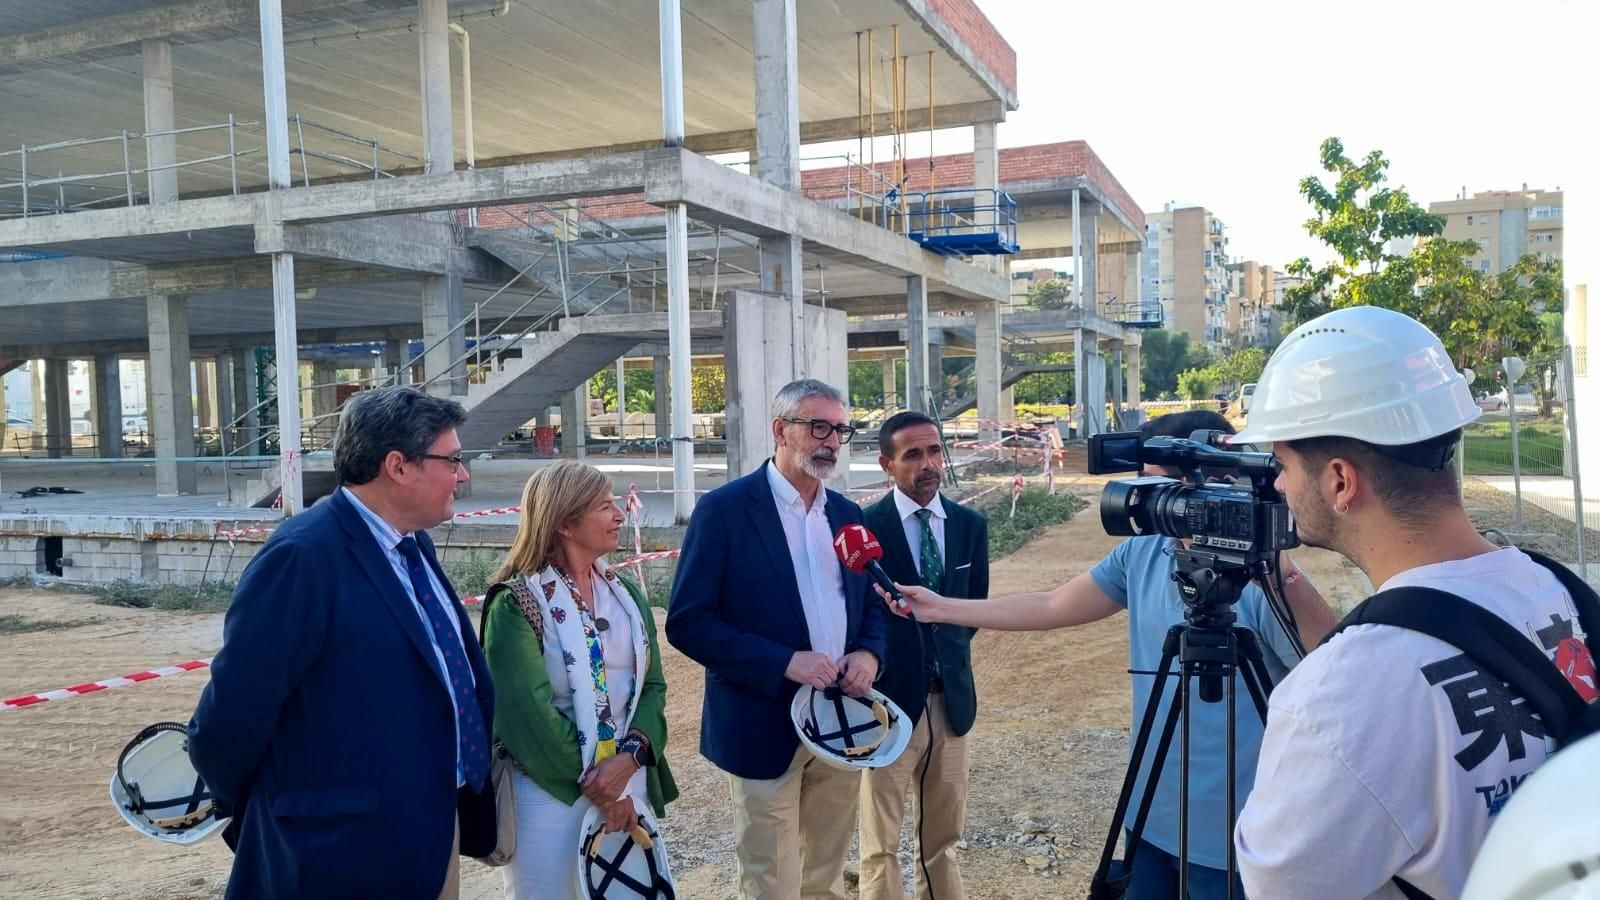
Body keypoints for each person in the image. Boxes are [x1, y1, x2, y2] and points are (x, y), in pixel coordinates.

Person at [889, 409, 1337, 900]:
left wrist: (1277, 571)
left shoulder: (1263, 576)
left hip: (1235, 825)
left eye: (1158, 490)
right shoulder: (1142, 553)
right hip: (1151, 811)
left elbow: (1338, 673)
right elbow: (1052, 604)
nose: (1144, 506)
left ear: (1209, 485)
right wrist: (941, 608)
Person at [1232, 305, 1597, 899]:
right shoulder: (1562, 590)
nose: (1276, 484)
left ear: (1340, 481)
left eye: (1282, 464)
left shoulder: (1338, 694)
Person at [188, 386, 495, 899]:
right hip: (336, 853)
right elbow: (231, 720)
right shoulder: (304, 558)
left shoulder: (411, 543)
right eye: (453, 460)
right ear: (398, 465)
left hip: (425, 831)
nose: (462, 475)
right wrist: (267, 815)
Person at [665, 378, 887, 900]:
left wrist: (869, 653)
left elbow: (872, 601)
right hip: (762, 721)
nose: (831, 441)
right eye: (818, 427)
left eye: (839, 429)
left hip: (841, 720)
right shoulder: (724, 512)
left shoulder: (847, 516)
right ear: (779, 430)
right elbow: (688, 621)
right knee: (770, 877)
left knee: (826, 872)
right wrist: (784, 661)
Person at [481, 460, 677, 899]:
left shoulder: (625, 594)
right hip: (550, 795)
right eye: (604, 506)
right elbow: (524, 716)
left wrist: (628, 760)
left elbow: (652, 687)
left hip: (629, 782)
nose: (620, 516)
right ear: (566, 522)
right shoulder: (515, 605)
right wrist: (603, 787)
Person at [858, 411, 989, 900]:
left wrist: (944, 665)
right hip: (886, 709)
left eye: (935, 450)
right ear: (886, 464)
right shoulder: (866, 528)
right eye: (913, 454)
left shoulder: (970, 526)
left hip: (951, 705)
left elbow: (970, 610)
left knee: (943, 840)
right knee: (879, 844)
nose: (929, 463)